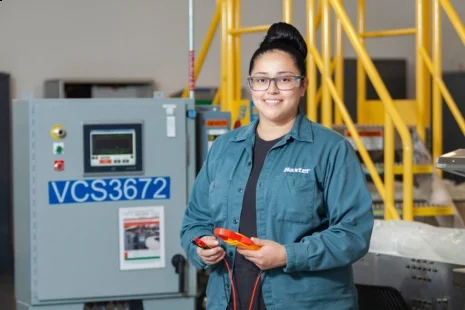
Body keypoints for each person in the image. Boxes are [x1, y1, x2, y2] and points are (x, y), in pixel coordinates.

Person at [180, 22, 374, 310]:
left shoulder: (330, 149)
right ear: (251, 85)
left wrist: (288, 255)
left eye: (284, 79)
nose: (271, 90)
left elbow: (353, 233)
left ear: (303, 85)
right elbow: (194, 221)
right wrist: (201, 248)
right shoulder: (224, 148)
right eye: (261, 79)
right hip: (229, 300)